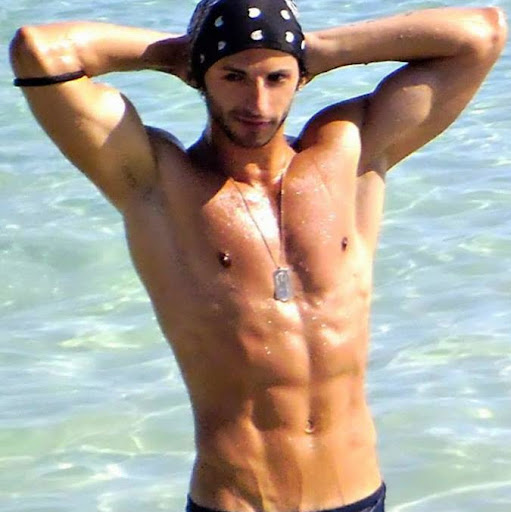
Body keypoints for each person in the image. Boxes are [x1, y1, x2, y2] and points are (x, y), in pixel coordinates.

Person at [9, 1, 507, 511]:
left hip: (359, 496)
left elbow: (481, 33)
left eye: (276, 77)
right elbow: (41, 51)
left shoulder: (349, 153)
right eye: (233, 76)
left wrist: (316, 50)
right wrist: (178, 53)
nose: (258, 101)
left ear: (300, 78)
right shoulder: (159, 183)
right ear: (200, 76)